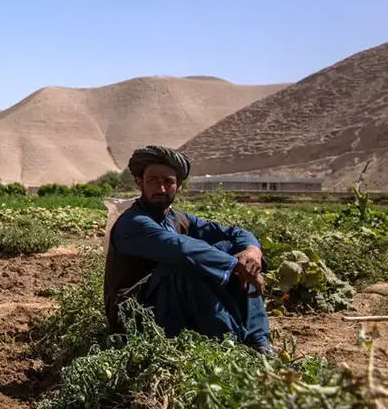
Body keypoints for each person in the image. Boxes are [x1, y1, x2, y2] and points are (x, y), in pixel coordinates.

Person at [103, 145, 274, 355]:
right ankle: (227, 344)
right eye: (153, 180)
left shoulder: (178, 218)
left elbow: (232, 233)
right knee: (186, 266)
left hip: (173, 307)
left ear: (179, 186)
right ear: (140, 182)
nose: (161, 188)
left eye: (168, 181)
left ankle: (259, 342)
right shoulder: (132, 222)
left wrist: (252, 251)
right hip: (133, 315)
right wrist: (235, 266)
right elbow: (182, 249)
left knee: (231, 250)